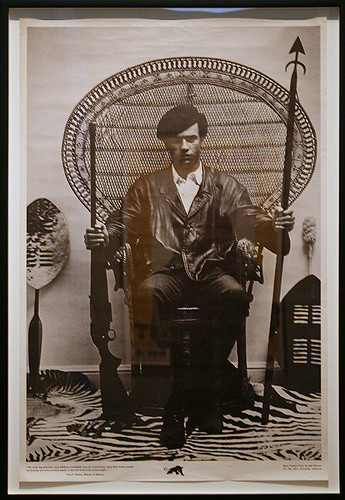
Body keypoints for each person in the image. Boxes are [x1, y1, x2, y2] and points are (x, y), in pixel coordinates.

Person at [84, 105, 295, 448]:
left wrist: (276, 226)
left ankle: (179, 400)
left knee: (234, 295)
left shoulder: (226, 186)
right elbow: (121, 222)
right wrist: (104, 236)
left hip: (212, 269)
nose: (185, 146)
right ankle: (197, 398)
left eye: (192, 138)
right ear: (167, 143)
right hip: (165, 271)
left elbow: (252, 222)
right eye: (178, 139)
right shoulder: (146, 187)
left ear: (202, 141)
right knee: (146, 294)